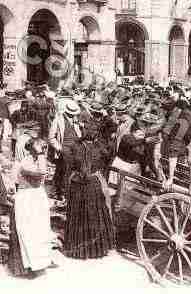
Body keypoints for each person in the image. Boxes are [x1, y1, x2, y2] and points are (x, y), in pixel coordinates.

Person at [64, 117, 115, 259]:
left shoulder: (77, 146)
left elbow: (71, 165)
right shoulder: (100, 147)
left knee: (82, 214)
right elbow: (106, 161)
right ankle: (94, 249)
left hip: (83, 183)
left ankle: (80, 248)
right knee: (93, 214)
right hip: (89, 183)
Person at [7, 138, 58, 277]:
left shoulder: (35, 160)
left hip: (37, 197)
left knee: (41, 230)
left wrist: (41, 155)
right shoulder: (25, 162)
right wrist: (41, 155)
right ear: (34, 150)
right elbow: (41, 173)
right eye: (42, 149)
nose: (44, 152)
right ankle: (30, 264)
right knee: (29, 232)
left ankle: (43, 261)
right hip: (27, 198)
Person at [48, 100, 82, 202]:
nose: (72, 116)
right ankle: (62, 192)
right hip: (64, 150)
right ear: (67, 112)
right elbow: (51, 138)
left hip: (75, 149)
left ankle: (66, 191)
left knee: (72, 172)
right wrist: (60, 148)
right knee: (64, 172)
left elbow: (78, 134)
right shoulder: (58, 120)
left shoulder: (75, 121)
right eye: (71, 114)